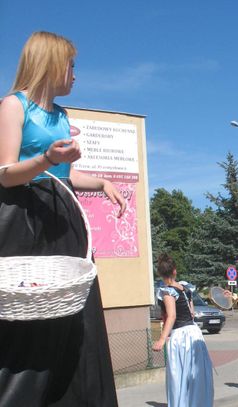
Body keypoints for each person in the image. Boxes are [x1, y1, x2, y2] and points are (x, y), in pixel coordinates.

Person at [0, 31, 126, 406]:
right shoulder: (13, 105)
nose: (75, 74)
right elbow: (5, 173)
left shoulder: (62, 116)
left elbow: (64, 176)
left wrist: (101, 182)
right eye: (71, 65)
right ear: (52, 64)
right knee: (31, 319)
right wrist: (48, 158)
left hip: (64, 217)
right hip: (27, 220)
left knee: (75, 321)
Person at [152, 254, 213, 407]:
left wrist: (161, 339)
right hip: (194, 333)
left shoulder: (167, 292)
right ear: (175, 271)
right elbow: (191, 313)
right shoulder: (185, 288)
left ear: (160, 273)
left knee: (179, 375)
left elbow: (172, 316)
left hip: (181, 336)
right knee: (196, 374)